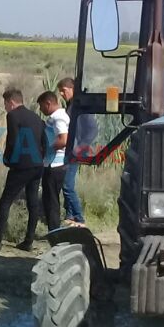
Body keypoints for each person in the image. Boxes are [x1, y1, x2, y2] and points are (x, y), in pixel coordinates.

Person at [0, 88, 46, 251]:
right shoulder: (36, 117)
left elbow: (12, 140)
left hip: (21, 165)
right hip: (37, 164)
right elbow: (44, 140)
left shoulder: (12, 116)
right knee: (33, 202)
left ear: (11, 102)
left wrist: (8, 159)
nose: (5, 107)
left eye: (5, 104)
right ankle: (28, 241)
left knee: (5, 201)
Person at [56, 77, 96, 224]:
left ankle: (79, 217)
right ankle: (70, 215)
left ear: (72, 89)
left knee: (67, 184)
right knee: (65, 183)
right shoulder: (71, 105)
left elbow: (92, 130)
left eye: (64, 90)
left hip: (76, 151)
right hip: (70, 149)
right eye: (60, 91)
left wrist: (81, 147)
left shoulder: (80, 107)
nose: (61, 93)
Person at [37, 89, 70, 232]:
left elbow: (63, 140)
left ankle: (54, 232)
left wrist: (47, 150)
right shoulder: (58, 116)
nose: (41, 109)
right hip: (54, 163)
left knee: (51, 202)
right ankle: (54, 230)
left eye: (41, 106)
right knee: (50, 200)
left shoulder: (58, 118)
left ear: (48, 103)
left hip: (54, 164)